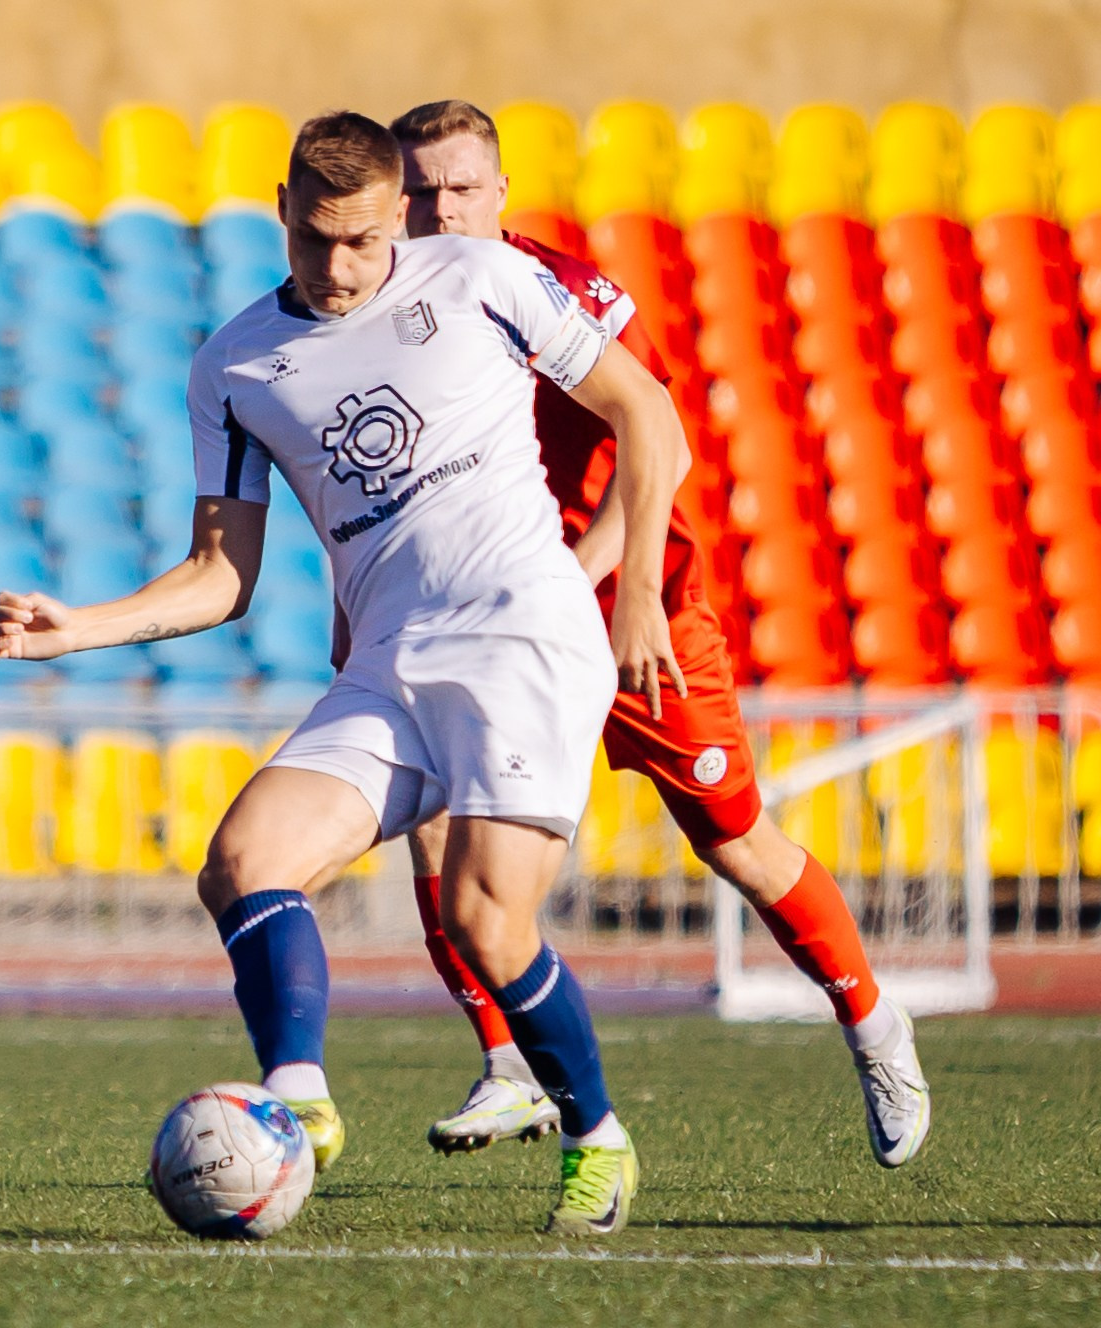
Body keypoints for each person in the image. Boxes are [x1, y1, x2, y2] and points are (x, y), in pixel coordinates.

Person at [0, 112, 687, 1236]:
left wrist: (638, 586)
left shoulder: (482, 277)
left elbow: (644, 409)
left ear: (395, 216)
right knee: (244, 857)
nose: (343, 265)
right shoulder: (234, 364)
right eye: (318, 240)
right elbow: (222, 575)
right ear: (282, 210)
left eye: (366, 240)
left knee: (483, 918)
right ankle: (300, 1104)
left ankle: (597, 1137)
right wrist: (82, 628)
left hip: (523, 636)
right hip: (391, 661)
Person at [375, 100, 930, 1170]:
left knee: (736, 841)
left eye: (459, 187)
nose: (439, 209)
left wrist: (613, 592)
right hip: (494, 623)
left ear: (500, 194)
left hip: (639, 609)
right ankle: (510, 1064)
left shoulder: (565, 295)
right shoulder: (386, 308)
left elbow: (658, 435)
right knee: (437, 824)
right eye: (420, 190)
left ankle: (871, 1019)